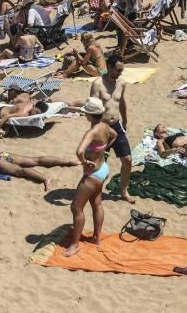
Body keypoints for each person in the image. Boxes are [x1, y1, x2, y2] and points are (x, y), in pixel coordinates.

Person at [65, 97, 117, 257]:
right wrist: (104, 149)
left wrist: (85, 161)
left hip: (93, 173)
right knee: (97, 203)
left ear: (88, 115)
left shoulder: (92, 131)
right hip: (103, 168)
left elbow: (79, 151)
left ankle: (75, 245)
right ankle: (96, 238)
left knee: (76, 208)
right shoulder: (105, 126)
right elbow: (114, 135)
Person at [90, 54, 134, 203]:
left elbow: (121, 102)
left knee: (127, 159)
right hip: (102, 128)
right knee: (100, 163)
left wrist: (125, 120)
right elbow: (92, 110)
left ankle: (124, 190)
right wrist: (97, 130)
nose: (119, 73)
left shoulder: (121, 83)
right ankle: (96, 191)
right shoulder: (97, 84)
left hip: (117, 125)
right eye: (117, 70)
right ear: (108, 67)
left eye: (121, 71)